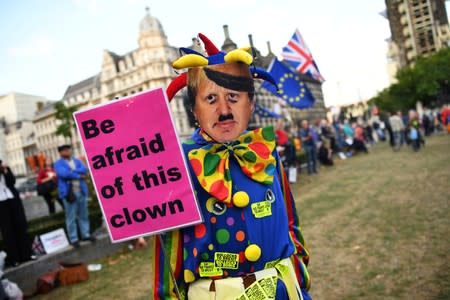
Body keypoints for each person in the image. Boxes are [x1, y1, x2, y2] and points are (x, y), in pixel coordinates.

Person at [152, 34, 311, 300]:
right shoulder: (178, 164)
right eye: (211, 99)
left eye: (234, 97)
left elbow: (291, 221)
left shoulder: (266, 151)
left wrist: (300, 272)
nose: (224, 110)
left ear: (250, 104)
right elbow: (169, 250)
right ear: (194, 109)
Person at [54, 145, 95, 248]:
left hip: (81, 190)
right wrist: (78, 175)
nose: (67, 151)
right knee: (71, 216)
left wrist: (73, 172)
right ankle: (74, 238)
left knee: (83, 214)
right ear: (60, 152)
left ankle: (86, 234)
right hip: (69, 193)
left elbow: (84, 169)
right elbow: (63, 174)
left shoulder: (76, 161)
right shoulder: (58, 163)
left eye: (68, 149)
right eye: (65, 150)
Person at [0, 159, 36, 267]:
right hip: (1, 204)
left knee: (21, 225)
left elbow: (12, 181)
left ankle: (27, 254)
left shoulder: (5, 170)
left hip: (12, 199)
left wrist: (6, 171)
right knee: (8, 231)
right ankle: (13, 258)